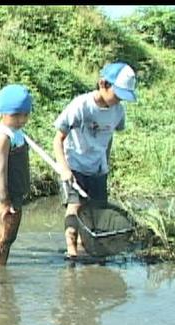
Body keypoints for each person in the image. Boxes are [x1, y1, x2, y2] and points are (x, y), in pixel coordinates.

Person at [52, 62, 137, 258]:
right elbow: (58, 139)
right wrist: (65, 170)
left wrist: (105, 164)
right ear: (103, 84)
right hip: (75, 166)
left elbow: (109, 137)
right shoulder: (81, 106)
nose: (118, 101)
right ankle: (71, 253)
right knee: (75, 208)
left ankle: (86, 248)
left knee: (95, 213)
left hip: (98, 169)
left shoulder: (118, 112)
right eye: (117, 95)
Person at [0, 84, 33, 266]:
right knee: (7, 235)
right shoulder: (3, 136)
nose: (21, 119)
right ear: (1, 113)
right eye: (15, 115)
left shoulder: (16, 132)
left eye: (25, 114)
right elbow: (0, 169)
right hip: (7, 194)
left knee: (9, 234)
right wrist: (4, 200)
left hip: (16, 192)